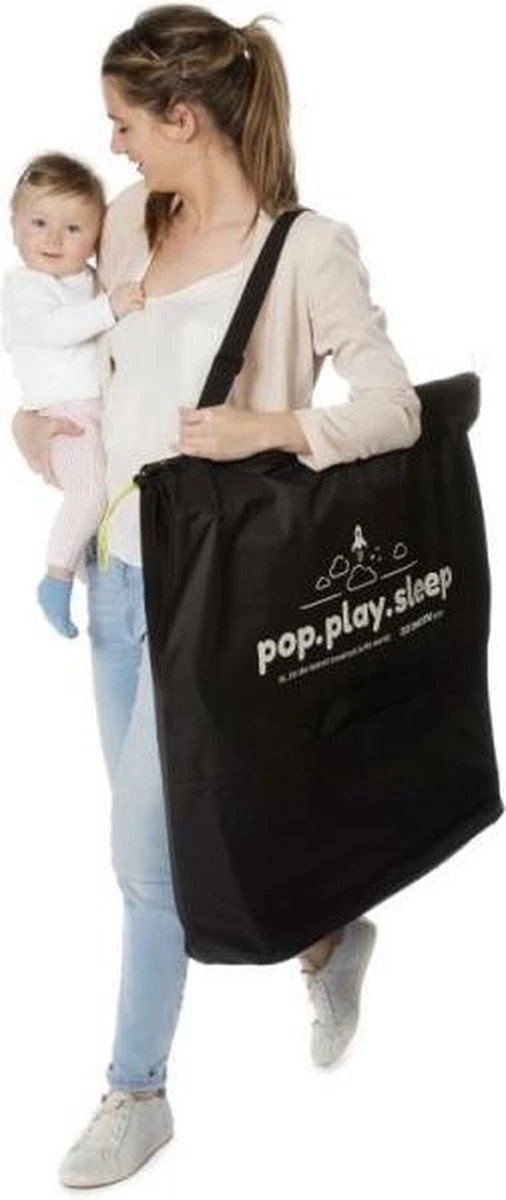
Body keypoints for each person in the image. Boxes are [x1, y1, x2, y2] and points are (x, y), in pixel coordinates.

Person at [11, 4, 422, 1190]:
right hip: (116, 578)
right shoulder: (125, 224)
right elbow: (76, 365)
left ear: (182, 117)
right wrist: (31, 427)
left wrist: (271, 426)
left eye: (125, 123)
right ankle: (327, 935)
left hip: (223, 598)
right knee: (184, 834)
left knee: (145, 859)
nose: (114, 145)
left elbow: (393, 405)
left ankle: (135, 1092)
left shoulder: (305, 249)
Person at [2, 152, 145, 638]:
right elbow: (55, 329)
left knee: (105, 493)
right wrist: (111, 306)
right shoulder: (25, 287)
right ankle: (56, 578)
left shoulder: (85, 279)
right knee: (88, 493)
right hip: (64, 415)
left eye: (73, 228)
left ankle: (82, 565)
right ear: (14, 226)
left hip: (96, 410)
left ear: (96, 236)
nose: (53, 239)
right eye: (39, 223)